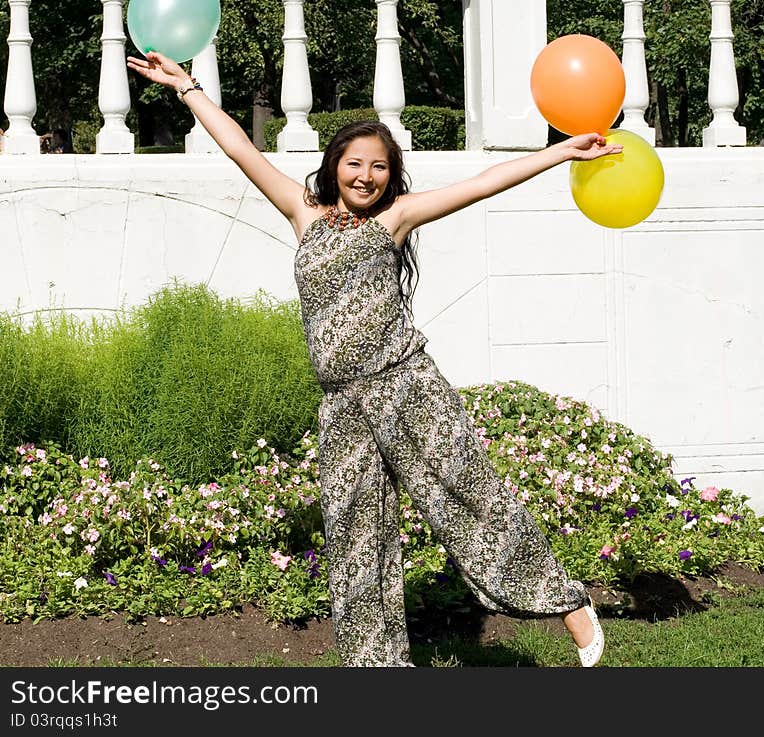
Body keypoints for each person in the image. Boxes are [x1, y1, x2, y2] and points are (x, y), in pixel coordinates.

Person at [127, 50, 623, 668]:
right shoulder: (302, 214)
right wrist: (188, 88)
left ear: (391, 177)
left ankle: (567, 603)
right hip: (342, 405)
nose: (366, 176)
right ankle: (378, 668)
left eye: (379, 168)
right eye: (355, 164)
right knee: (356, 539)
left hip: (404, 386)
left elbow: (482, 183)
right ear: (334, 166)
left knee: (470, 499)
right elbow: (241, 149)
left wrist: (560, 152)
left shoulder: (395, 218)